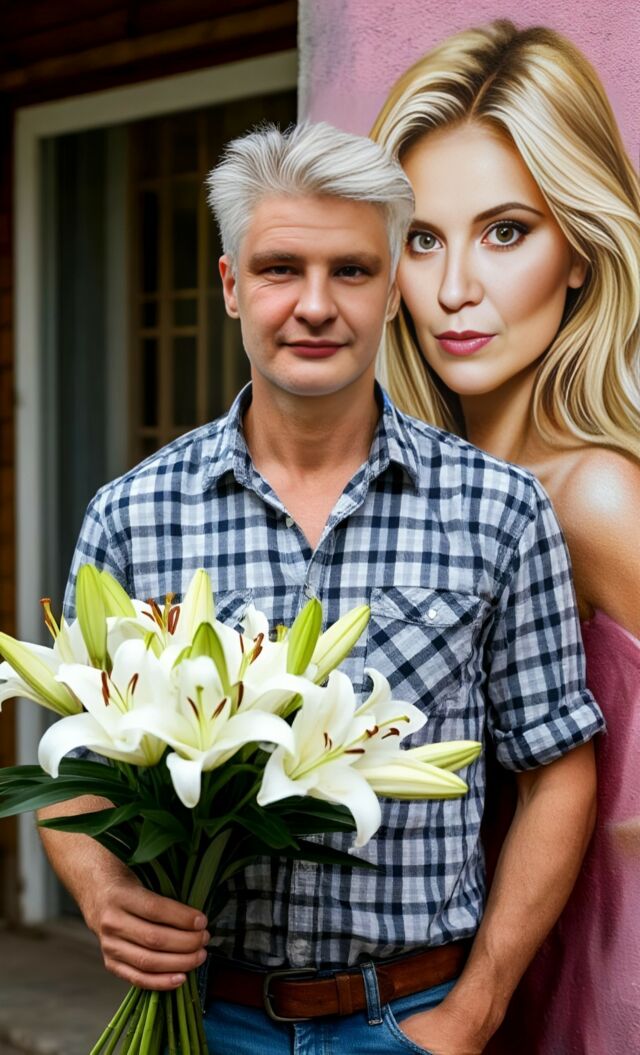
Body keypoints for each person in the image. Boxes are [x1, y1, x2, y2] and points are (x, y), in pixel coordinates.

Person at [39, 121, 603, 1055]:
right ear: (231, 286)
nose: (314, 304)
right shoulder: (133, 514)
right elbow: (75, 772)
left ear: (391, 289)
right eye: (279, 269)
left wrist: (476, 1009)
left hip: (413, 1017)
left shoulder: (499, 508)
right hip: (203, 1018)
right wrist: (104, 893)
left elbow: (557, 769)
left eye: (350, 270)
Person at [371, 20, 640, 1053]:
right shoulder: (403, 495)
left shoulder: (596, 496)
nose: (453, 290)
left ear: (579, 251)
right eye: (421, 239)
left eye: (506, 232)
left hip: (585, 989)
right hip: (423, 988)